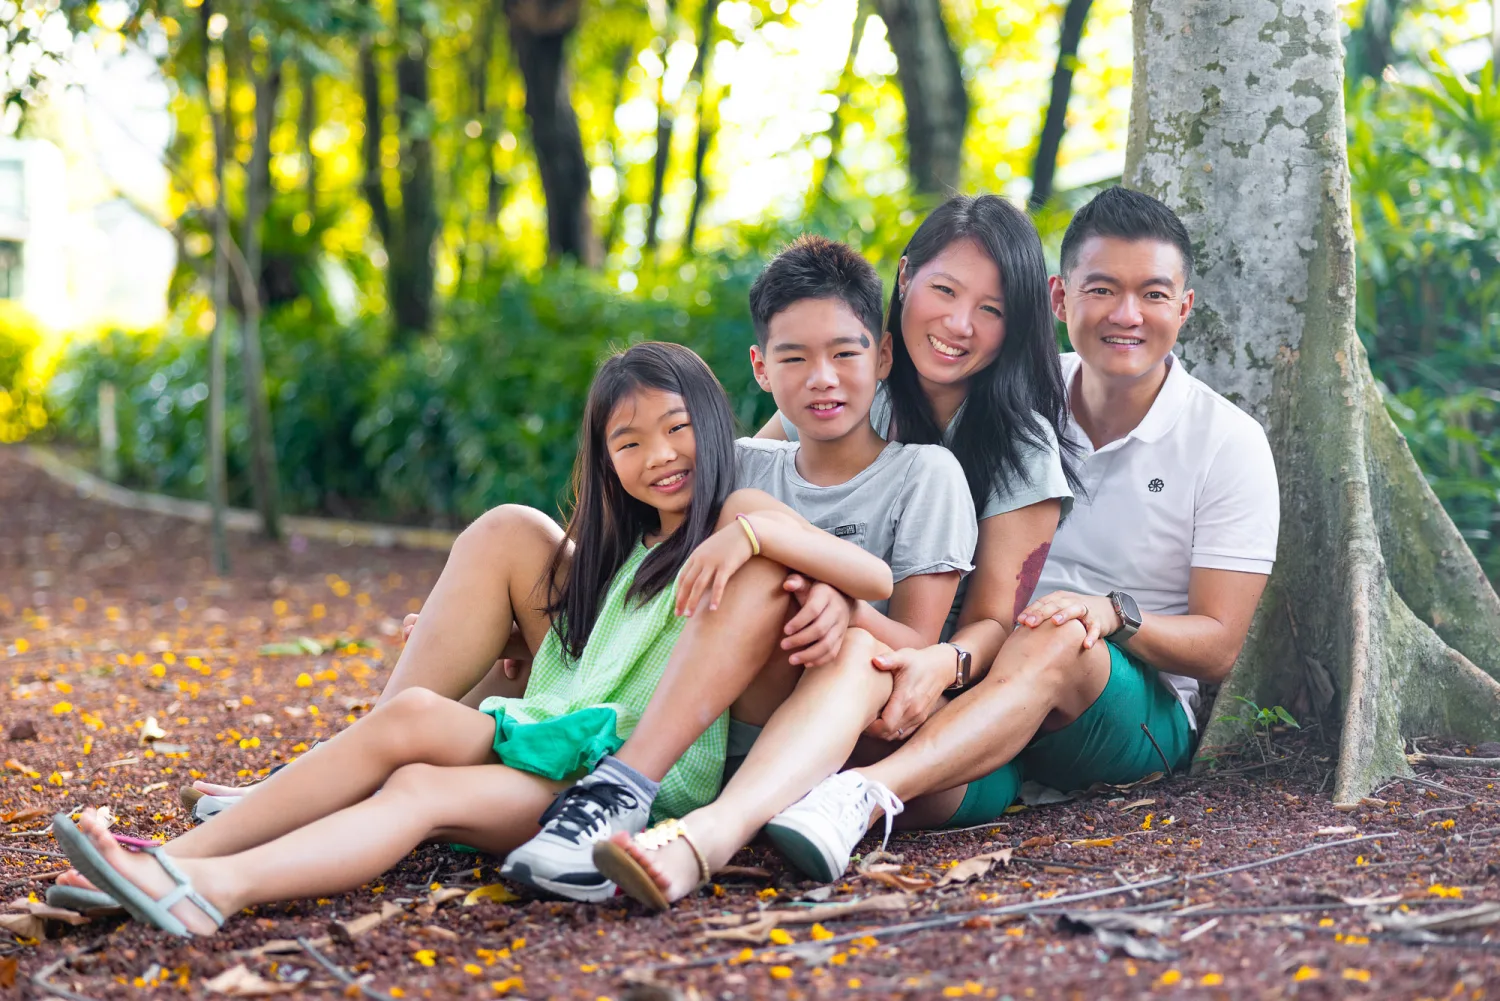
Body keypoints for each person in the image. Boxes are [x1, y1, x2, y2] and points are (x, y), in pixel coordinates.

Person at [46, 342, 892, 934]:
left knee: (420, 792)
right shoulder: (625, 549)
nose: (660, 455)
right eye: (628, 442)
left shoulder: (742, 518)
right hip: (552, 737)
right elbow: (574, 659)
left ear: (716, 424)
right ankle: (169, 863)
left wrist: (751, 537)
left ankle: (216, 883)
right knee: (410, 718)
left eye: (677, 428)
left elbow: (873, 578)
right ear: (605, 461)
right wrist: (502, 667)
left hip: (622, 789)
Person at [762, 186, 1282, 882]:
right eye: (1102, 289)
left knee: (1058, 630)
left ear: (1182, 308)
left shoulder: (1227, 442)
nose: (1126, 314)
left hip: (1119, 704)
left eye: (1152, 294)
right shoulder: (1007, 391)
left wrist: (1111, 613)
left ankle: (864, 796)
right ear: (1061, 297)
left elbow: (1220, 646)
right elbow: (765, 468)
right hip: (977, 688)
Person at [586, 197, 1085, 905]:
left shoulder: (1010, 445)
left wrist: (884, 626)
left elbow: (993, 623)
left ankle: (707, 832)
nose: (958, 323)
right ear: (906, 281)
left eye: (993, 309)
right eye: (944, 291)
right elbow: (729, 498)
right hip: (795, 676)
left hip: (911, 693)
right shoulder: (843, 390)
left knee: (843, 638)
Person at [501, 235, 978, 906]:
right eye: (794, 357)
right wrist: (514, 634)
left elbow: (918, 657)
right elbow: (639, 571)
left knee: (799, 593)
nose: (822, 377)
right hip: (726, 722)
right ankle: (601, 786)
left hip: (856, 727)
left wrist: (839, 601)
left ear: (884, 355)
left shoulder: (924, 474)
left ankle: (633, 792)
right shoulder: (742, 465)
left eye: (845, 352)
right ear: (760, 367)